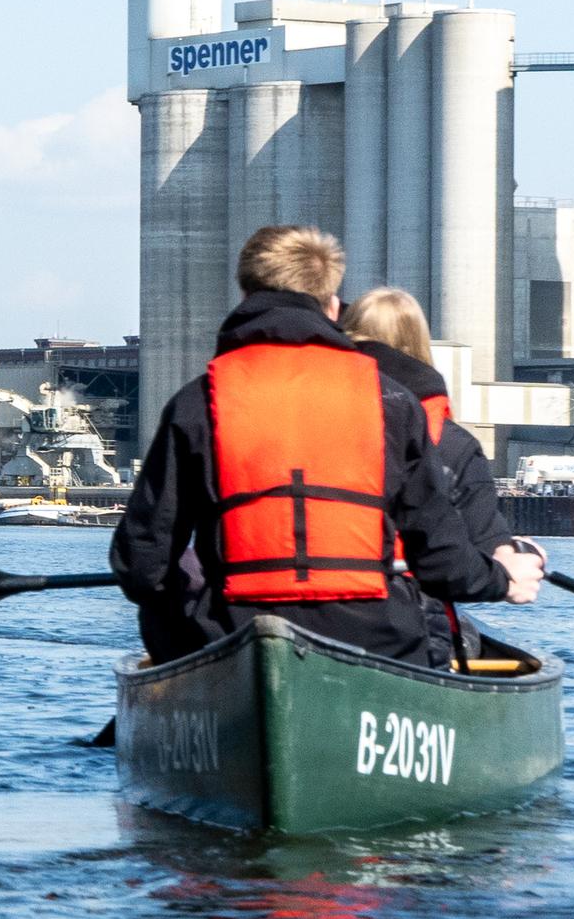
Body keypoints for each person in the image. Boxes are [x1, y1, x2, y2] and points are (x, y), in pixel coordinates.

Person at [107, 225, 542, 669]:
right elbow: (442, 563)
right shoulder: (392, 403)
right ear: (332, 305)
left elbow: (140, 563)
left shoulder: (197, 403)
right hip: (380, 642)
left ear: (244, 296)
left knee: (160, 607)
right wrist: (503, 580)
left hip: (236, 636)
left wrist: (193, 601)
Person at [342, 286, 519, 668]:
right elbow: (488, 545)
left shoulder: (319, 419)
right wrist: (515, 563)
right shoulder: (455, 444)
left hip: (324, 605)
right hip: (416, 619)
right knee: (464, 637)